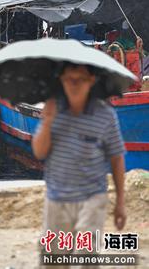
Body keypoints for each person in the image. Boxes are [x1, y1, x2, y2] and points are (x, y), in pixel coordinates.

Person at [32, 63, 126, 267]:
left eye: (80, 79)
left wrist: (120, 202)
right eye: (69, 79)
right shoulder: (54, 108)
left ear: (91, 81)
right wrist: (47, 121)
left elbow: (117, 158)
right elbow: (39, 152)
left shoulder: (105, 115)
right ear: (62, 81)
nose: (74, 85)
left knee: (85, 257)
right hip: (57, 200)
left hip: (92, 198)